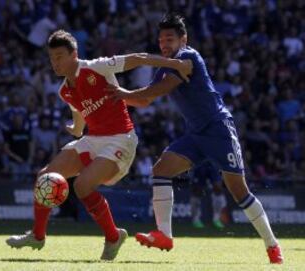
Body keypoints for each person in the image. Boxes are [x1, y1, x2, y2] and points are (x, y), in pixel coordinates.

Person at [107, 14, 283, 264]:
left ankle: (272, 246)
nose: (164, 44)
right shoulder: (165, 66)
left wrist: (123, 93)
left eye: (169, 39)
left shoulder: (188, 57)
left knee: (238, 191)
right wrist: (116, 97)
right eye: (161, 40)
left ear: (183, 39)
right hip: (196, 134)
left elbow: (158, 91)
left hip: (219, 129)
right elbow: (145, 100)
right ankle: (164, 235)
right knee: (161, 170)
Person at [6, 29, 192, 261]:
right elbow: (80, 113)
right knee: (45, 175)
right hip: (92, 139)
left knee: (82, 186)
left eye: (60, 57)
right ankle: (38, 235)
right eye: (52, 58)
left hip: (121, 139)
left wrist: (174, 64)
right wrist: (75, 129)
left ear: (74, 54)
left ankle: (112, 238)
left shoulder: (97, 67)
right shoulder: (64, 90)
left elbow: (139, 58)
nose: (55, 63)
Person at [189, 161, 226, 229]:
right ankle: (195, 220)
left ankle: (216, 219)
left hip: (213, 163)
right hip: (199, 163)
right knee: (197, 191)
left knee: (218, 189)